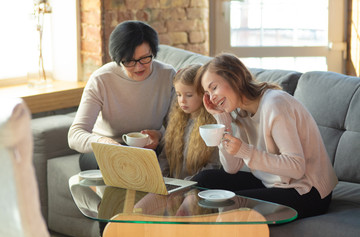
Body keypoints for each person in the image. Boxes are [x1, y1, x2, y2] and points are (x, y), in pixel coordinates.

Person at [192, 53, 338, 219]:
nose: (212, 97)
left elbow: (296, 168)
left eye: (214, 87)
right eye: (207, 93)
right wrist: (221, 118)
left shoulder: (275, 104)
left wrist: (246, 151)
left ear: (234, 78)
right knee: (203, 181)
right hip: (272, 183)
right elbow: (231, 168)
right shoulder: (240, 111)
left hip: (307, 190)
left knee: (234, 204)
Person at [68, 20, 176, 170]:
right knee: (115, 164)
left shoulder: (168, 75)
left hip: (149, 148)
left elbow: (179, 127)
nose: (139, 67)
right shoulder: (101, 79)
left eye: (145, 58)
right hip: (106, 149)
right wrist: (105, 143)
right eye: (129, 61)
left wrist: (159, 135)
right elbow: (75, 135)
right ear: (118, 60)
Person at [158, 64, 221, 180]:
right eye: (178, 95)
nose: (182, 100)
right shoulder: (176, 120)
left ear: (204, 94)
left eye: (189, 95)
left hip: (197, 187)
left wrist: (188, 184)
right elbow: (164, 157)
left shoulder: (213, 125)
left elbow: (213, 166)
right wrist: (164, 180)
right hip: (172, 185)